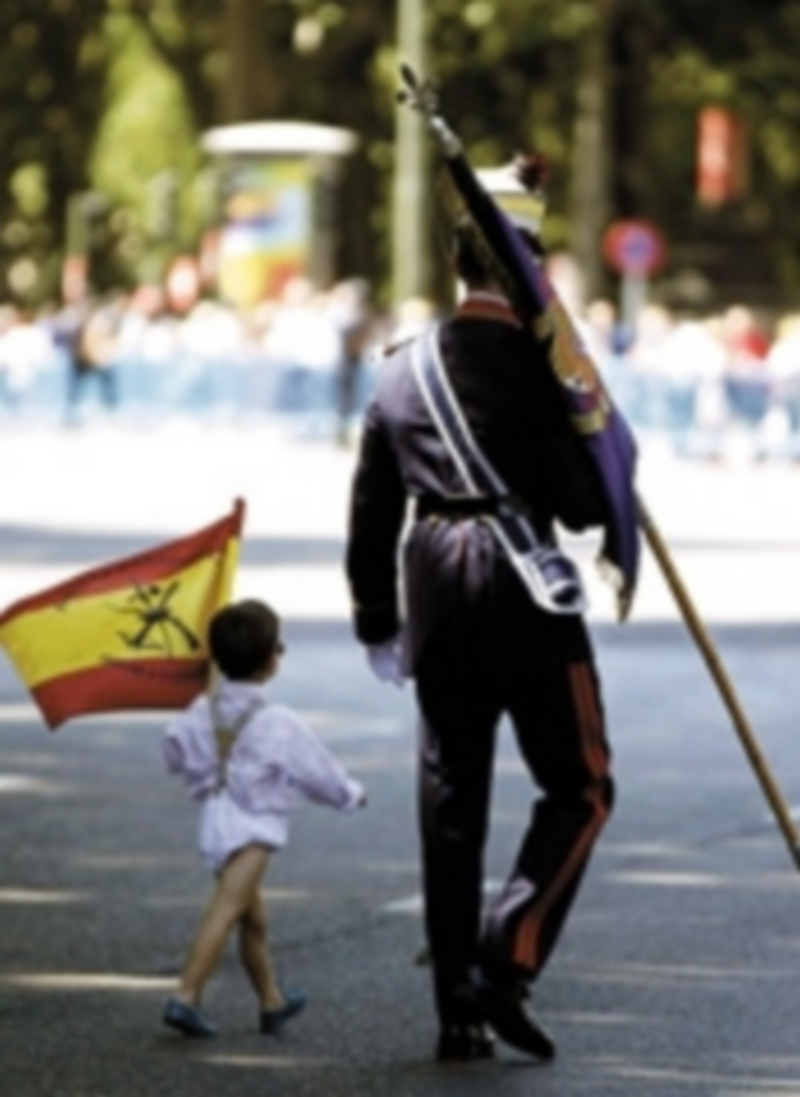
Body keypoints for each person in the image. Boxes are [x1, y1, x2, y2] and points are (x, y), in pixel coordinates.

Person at [344, 213, 615, 1063]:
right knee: (581, 784)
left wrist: (377, 619)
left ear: (454, 263)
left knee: (451, 802)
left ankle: (456, 1007)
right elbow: (578, 505)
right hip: (523, 574)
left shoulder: (399, 372)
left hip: (435, 577)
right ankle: (510, 952)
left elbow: (370, 511)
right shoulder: (547, 370)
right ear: (531, 272)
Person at [161, 598, 366, 1038]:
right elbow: (318, 772)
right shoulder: (278, 722)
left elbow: (173, 750)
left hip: (215, 822)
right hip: (251, 830)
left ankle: (272, 1000)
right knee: (226, 910)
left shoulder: (201, 711)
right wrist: (350, 794)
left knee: (254, 920)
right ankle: (186, 995)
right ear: (271, 659)